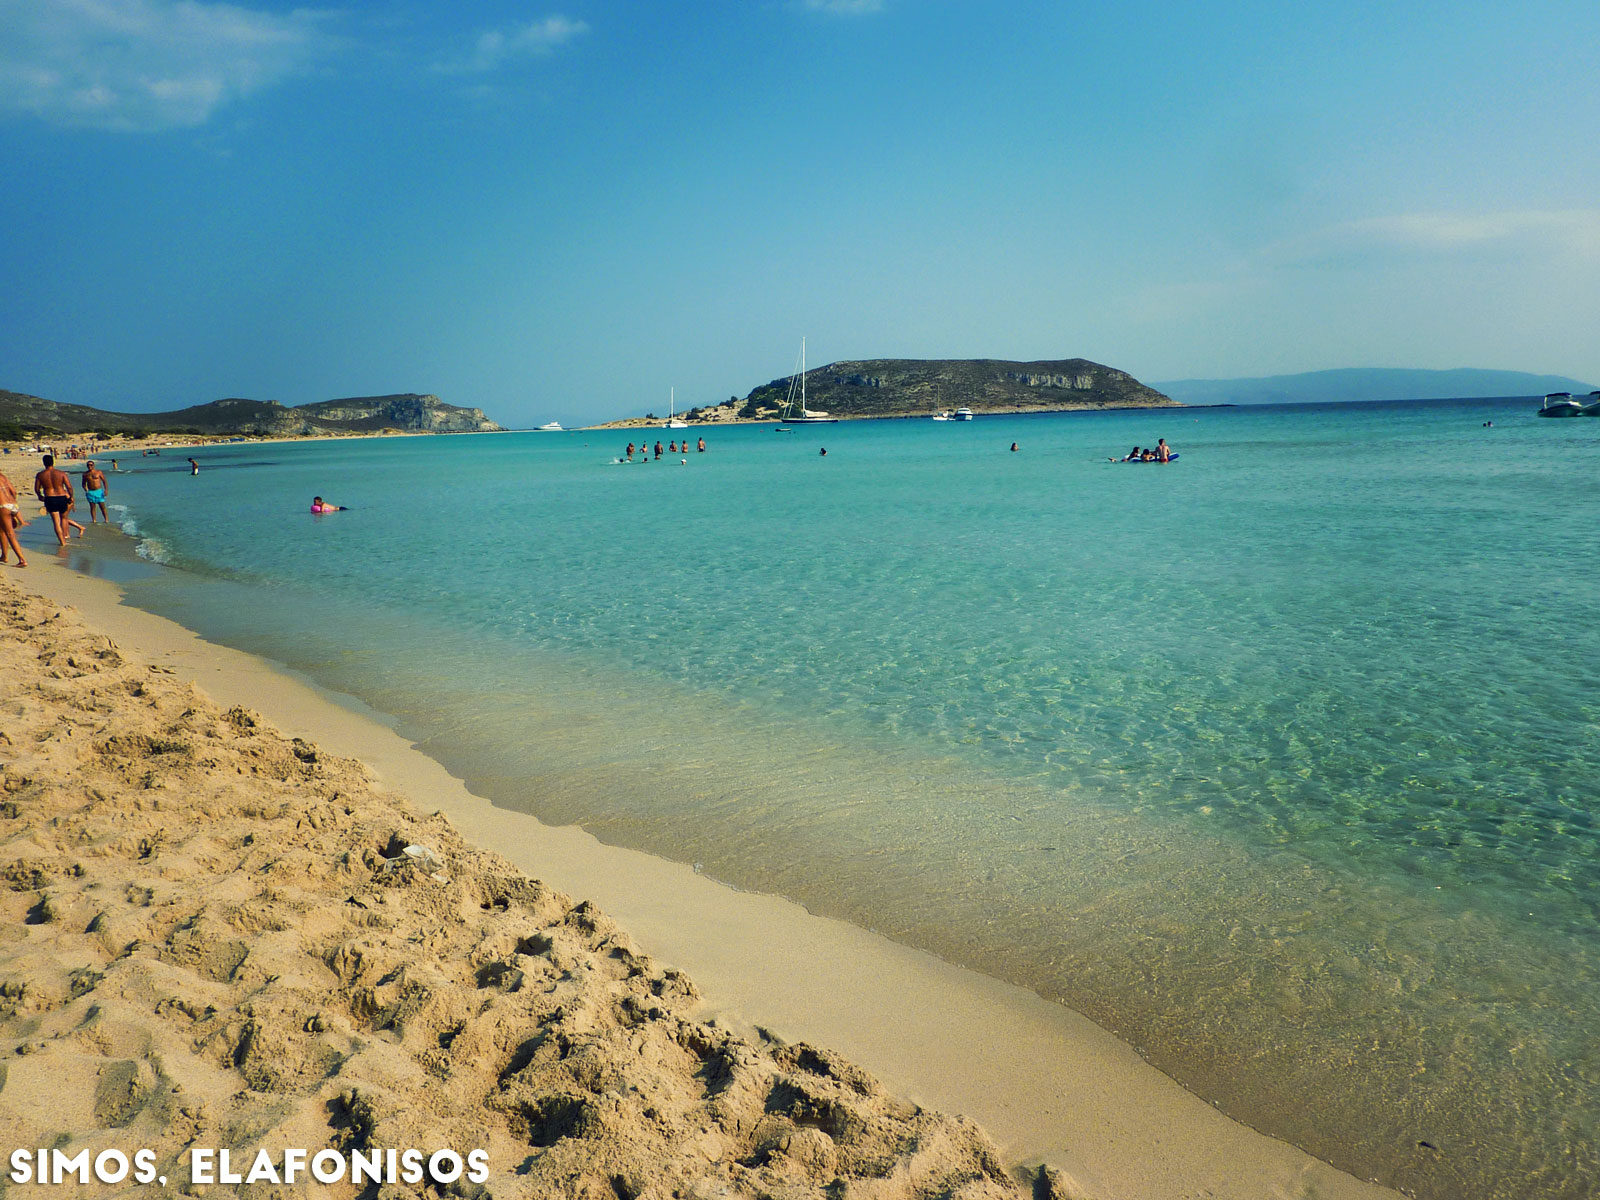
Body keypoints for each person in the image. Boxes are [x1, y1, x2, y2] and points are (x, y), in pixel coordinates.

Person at [32, 454, 74, 546]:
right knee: (63, 518)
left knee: (56, 521)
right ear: (53, 462)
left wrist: (40, 496)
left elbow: (37, 488)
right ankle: (65, 536)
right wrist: (71, 497)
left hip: (50, 498)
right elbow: (69, 487)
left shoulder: (40, 474)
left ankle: (62, 542)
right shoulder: (61, 473)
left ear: (44, 463)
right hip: (61, 496)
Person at [0, 470, 27, 568]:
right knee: (2, 530)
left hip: (3, 506)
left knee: (10, 534)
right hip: (13, 504)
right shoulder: (2, 476)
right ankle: (4, 556)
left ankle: (22, 560)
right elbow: (13, 491)